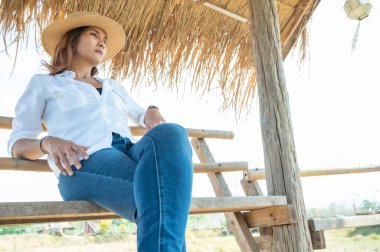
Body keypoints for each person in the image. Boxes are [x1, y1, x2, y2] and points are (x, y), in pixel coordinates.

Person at [7, 11, 193, 251]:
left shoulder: (112, 86)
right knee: (166, 197)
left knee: (172, 133)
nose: (102, 42)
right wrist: (48, 143)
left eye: (104, 38)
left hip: (131, 152)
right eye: (94, 34)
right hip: (84, 161)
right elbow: (17, 145)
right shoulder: (44, 84)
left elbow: (140, 113)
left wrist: (152, 109)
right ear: (71, 41)